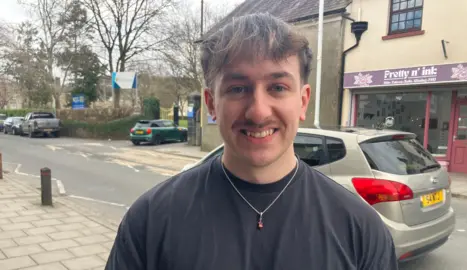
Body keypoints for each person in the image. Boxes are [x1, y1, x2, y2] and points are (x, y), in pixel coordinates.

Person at [105, 13, 399, 270]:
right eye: (237, 88)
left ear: (303, 100)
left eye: (278, 87)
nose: (258, 111)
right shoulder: (150, 221)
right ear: (211, 103)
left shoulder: (360, 228)